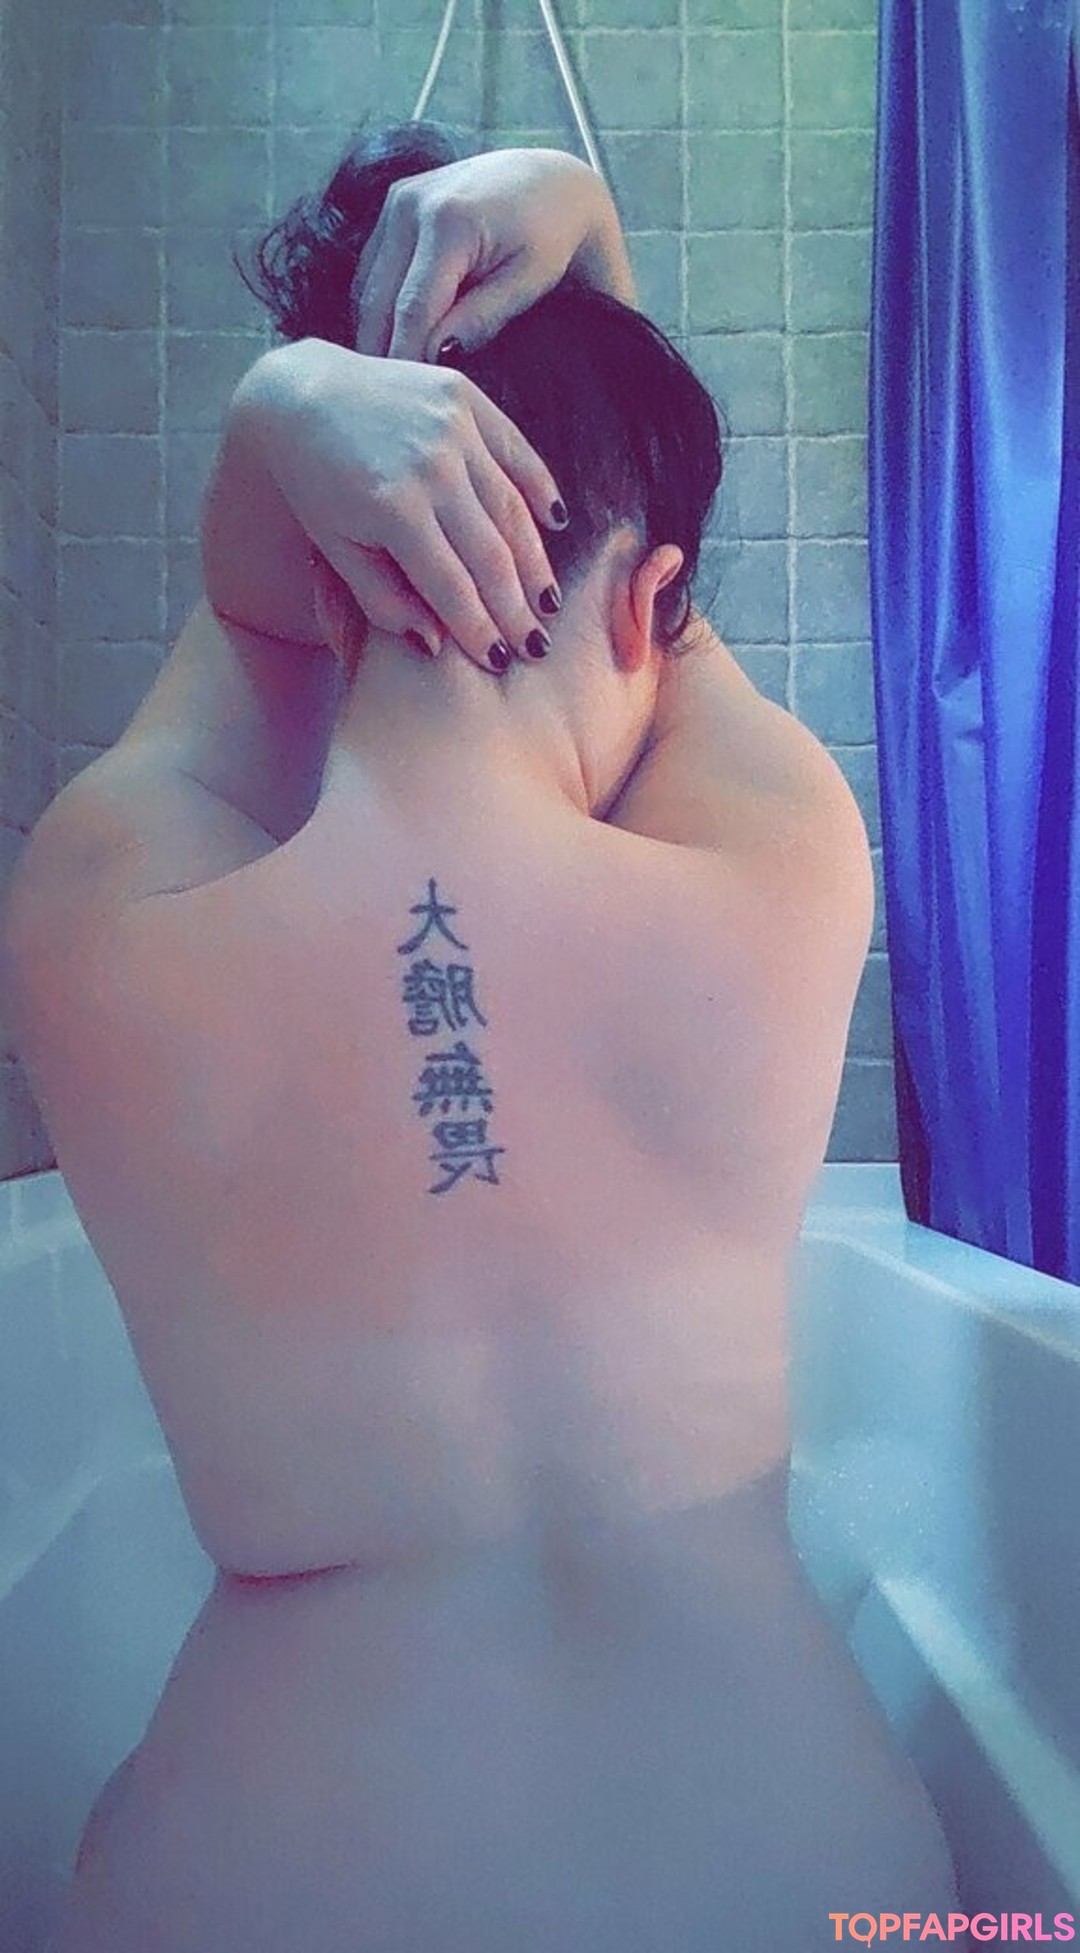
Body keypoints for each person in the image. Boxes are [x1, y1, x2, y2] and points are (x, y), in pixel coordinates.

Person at [5, 129, 963, 1953]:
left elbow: (262, 620)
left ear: (320, 576)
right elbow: (644, 577)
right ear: (648, 603)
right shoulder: (785, 868)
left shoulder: (104, 918)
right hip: (829, 1901)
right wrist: (584, 226)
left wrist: (275, 415)